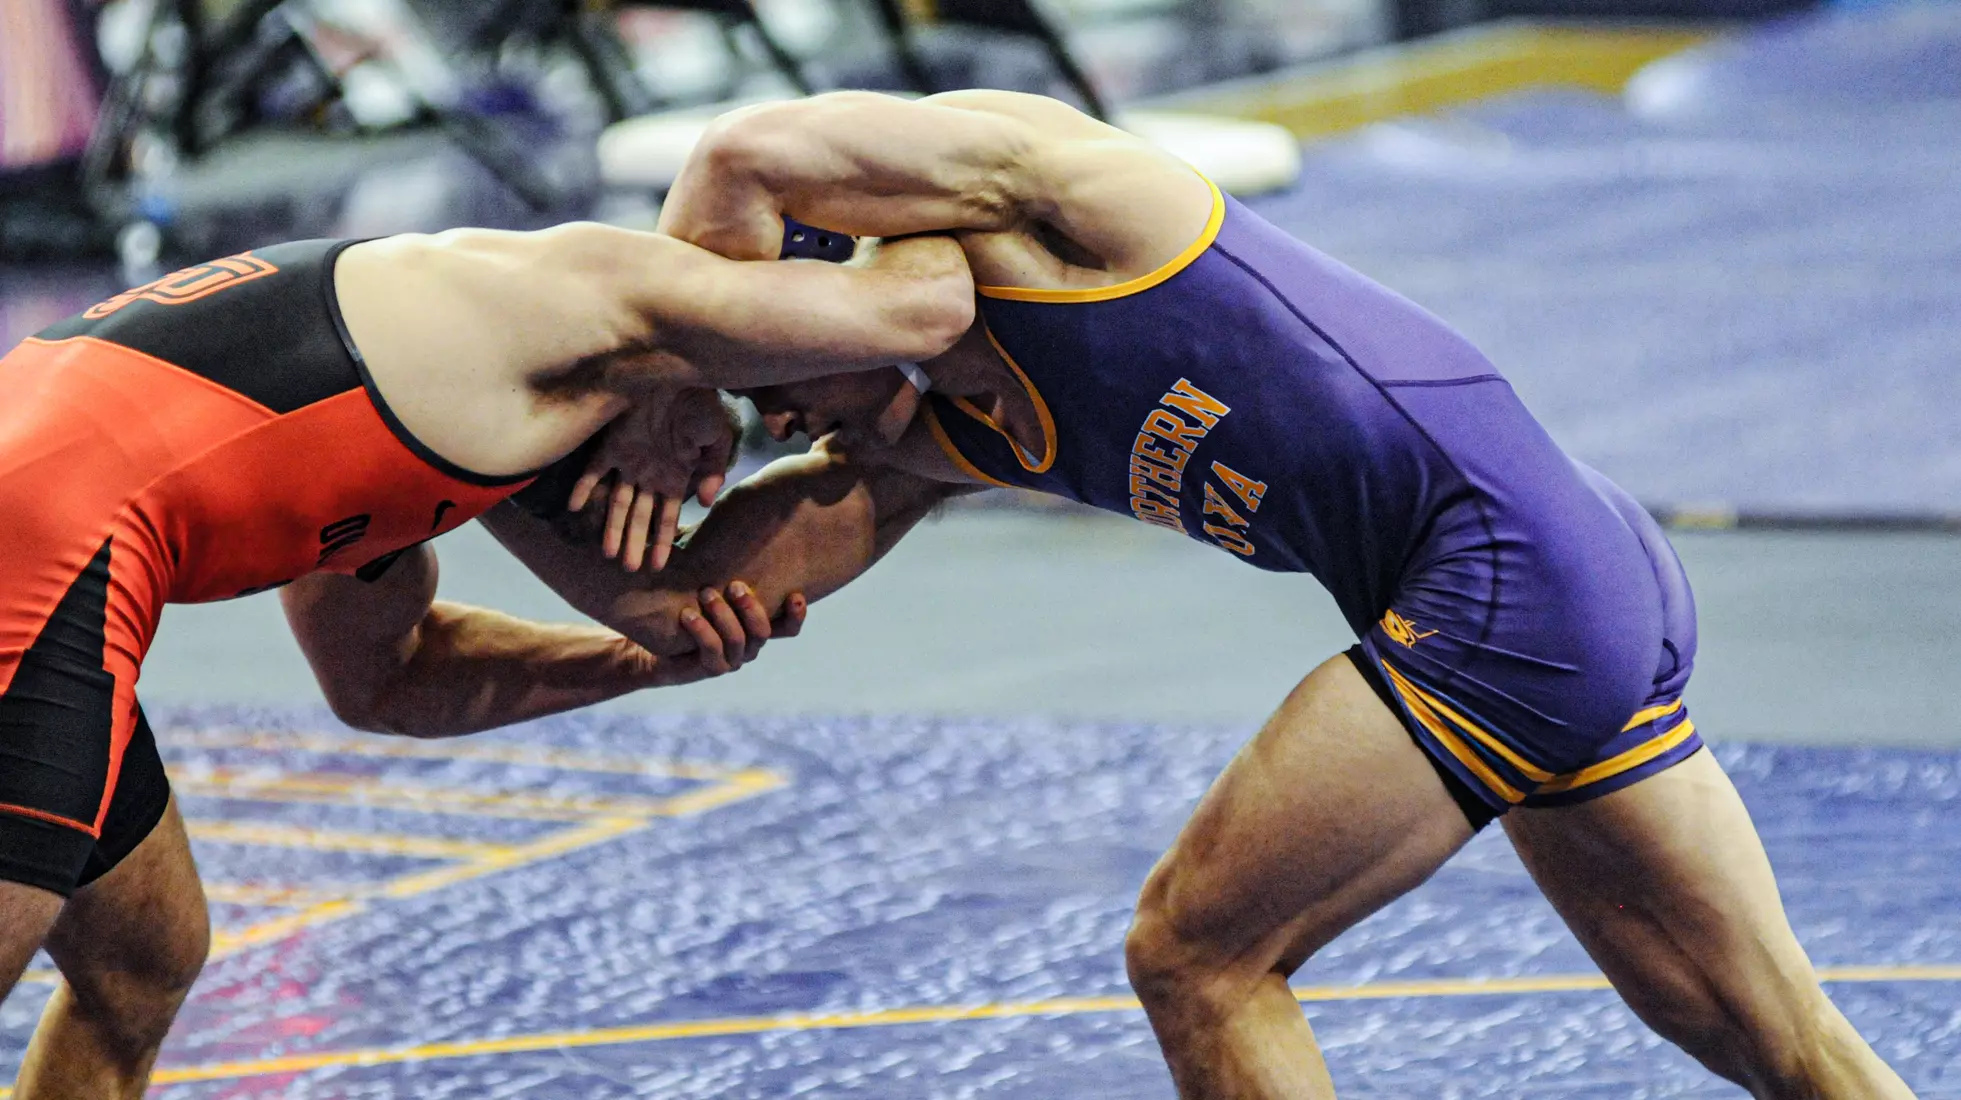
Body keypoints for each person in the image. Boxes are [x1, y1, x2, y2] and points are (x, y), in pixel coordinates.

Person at [496, 90, 1918, 1099]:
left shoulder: (1073, 217)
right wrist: (485, 472)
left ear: (818, 296)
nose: (779, 423)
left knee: (1197, 958)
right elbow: (699, 598)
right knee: (1768, 1036)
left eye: (766, 375)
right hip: (1561, 586)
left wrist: (670, 369)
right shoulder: (939, 436)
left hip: (1506, 578)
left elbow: (740, 150)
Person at [0, 221, 973, 1096]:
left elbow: (388, 681)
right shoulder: (589, 294)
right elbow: (926, 300)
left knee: (142, 962)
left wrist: (634, 665)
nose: (781, 434)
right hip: (46, 542)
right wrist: (991, 203)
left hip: (55, 544)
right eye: (768, 410)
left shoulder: (411, 425)